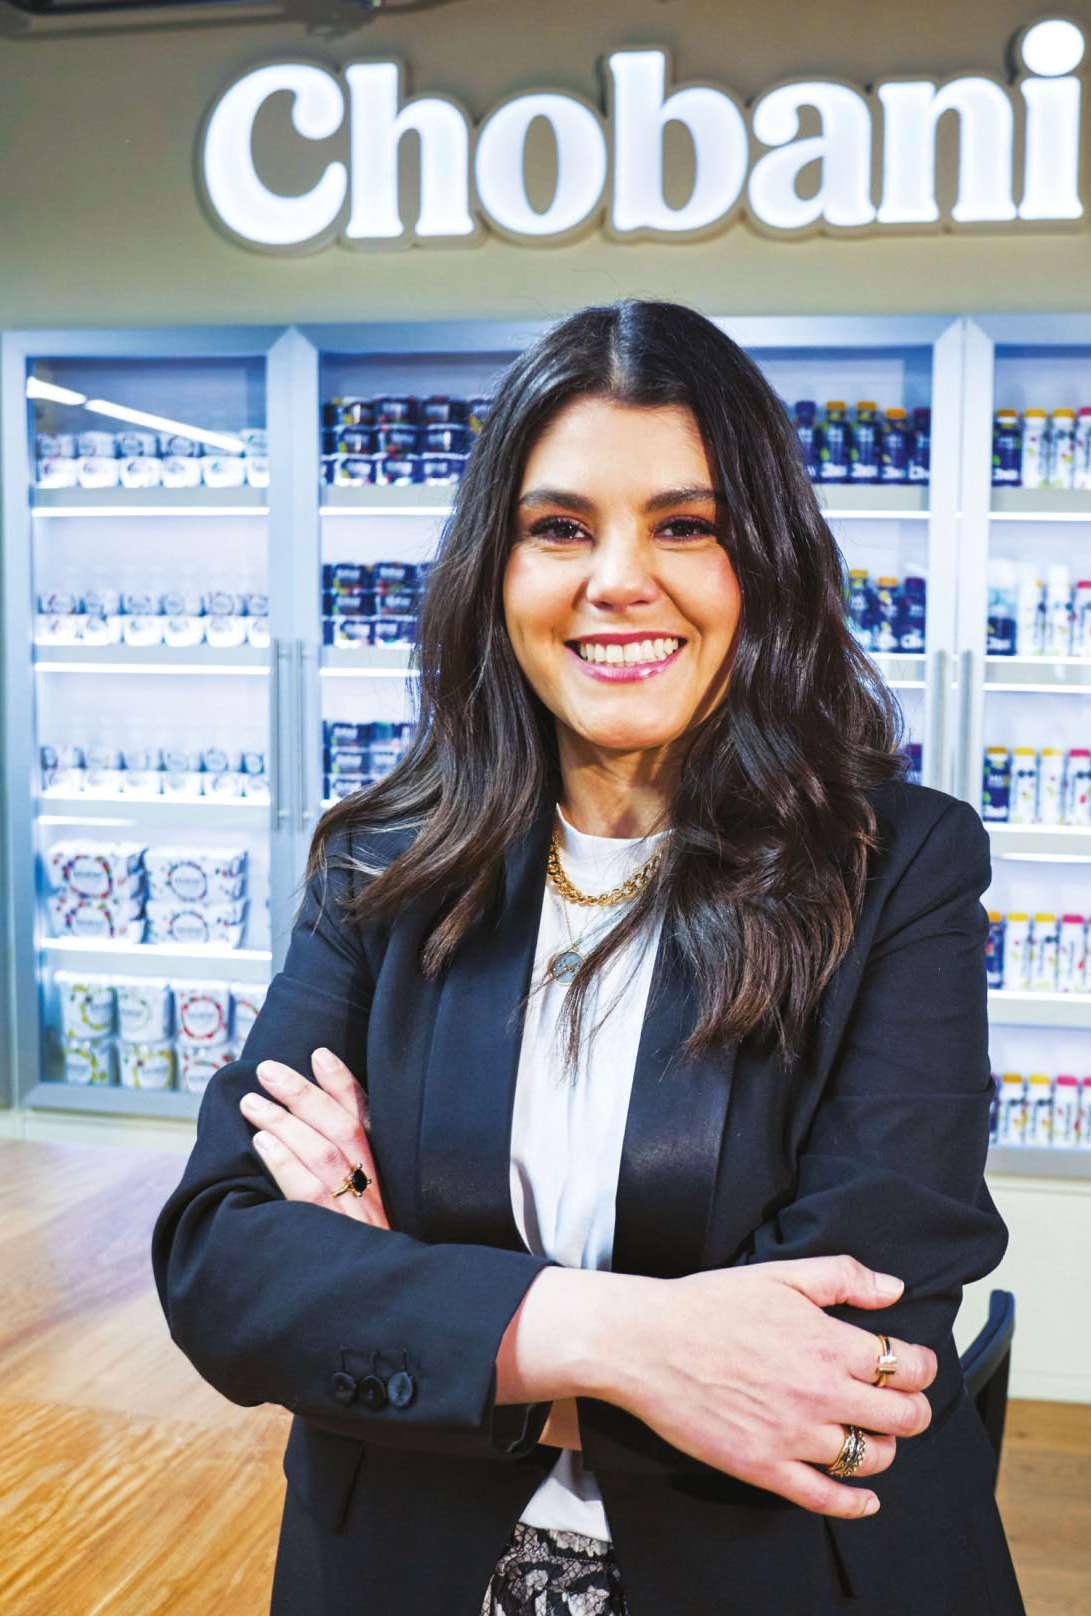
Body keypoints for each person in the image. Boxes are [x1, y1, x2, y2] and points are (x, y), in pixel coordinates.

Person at [150, 297, 1026, 1615]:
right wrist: (634, 1343)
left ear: (766, 564)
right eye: (559, 528)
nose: (616, 579)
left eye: (685, 526)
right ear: (492, 571)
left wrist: (414, 1308)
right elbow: (225, 1267)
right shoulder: (381, 866)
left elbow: (859, 1345)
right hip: (406, 1570)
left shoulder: (899, 865)